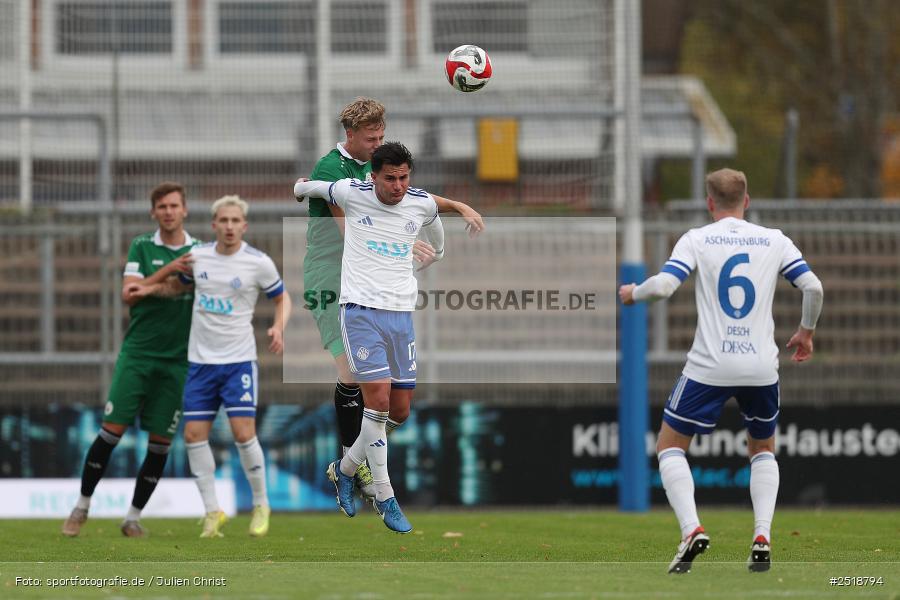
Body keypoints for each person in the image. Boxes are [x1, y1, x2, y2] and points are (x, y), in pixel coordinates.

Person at [618, 168, 823, 574]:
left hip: (710, 365)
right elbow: (814, 287)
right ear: (746, 201)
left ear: (709, 202)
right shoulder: (774, 240)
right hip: (761, 366)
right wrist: (805, 332)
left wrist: (632, 293)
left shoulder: (698, 238)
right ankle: (762, 537)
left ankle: (692, 529)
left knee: (670, 447)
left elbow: (662, 287)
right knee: (762, 450)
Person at [301, 97, 483, 503]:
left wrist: (455, 205)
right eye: (371, 139)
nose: (376, 144)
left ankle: (351, 460)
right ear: (350, 135)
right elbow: (350, 232)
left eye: (381, 136)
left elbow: (412, 195)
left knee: (391, 405)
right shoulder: (333, 168)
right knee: (352, 374)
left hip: (369, 283)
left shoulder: (374, 166)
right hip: (332, 278)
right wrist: (400, 241)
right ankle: (354, 463)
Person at [294, 141, 446, 533]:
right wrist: (300, 188)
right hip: (359, 312)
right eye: (390, 178)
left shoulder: (418, 201)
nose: (398, 185)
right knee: (376, 403)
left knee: (399, 411)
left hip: (401, 317)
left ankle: (343, 469)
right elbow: (313, 188)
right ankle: (385, 496)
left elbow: (434, 223)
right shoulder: (352, 192)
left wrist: (437, 253)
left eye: (403, 177)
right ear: (373, 176)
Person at [144, 195, 292, 538]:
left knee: (243, 434)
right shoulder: (199, 257)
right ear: (214, 225)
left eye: (235, 221)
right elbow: (174, 285)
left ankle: (260, 504)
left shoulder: (259, 262)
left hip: (237, 361)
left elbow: (283, 298)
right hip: (200, 363)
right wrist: (146, 289)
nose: (229, 226)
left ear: (244, 225)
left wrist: (277, 326)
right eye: (223, 221)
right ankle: (213, 512)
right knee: (194, 435)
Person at [62, 181, 199, 538]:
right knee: (111, 432)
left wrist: (164, 283)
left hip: (177, 362)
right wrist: (170, 272)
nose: (168, 212)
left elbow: (202, 291)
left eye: (174, 206)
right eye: (162, 207)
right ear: (153, 212)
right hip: (137, 355)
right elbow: (129, 295)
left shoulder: (201, 252)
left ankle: (133, 517)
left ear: (185, 210)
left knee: (160, 444)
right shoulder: (142, 245)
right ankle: (82, 506)